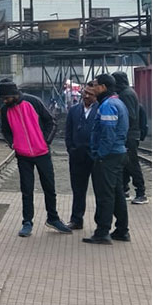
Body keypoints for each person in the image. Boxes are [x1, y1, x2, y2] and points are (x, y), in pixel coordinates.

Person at [0, 79, 67, 237]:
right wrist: (13, 144)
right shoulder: (5, 109)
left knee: (49, 187)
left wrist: (45, 141)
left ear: (14, 94)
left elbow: (51, 122)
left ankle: (53, 218)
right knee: (26, 190)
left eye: (7, 98)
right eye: (3, 99)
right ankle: (27, 222)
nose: (5, 101)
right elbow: (5, 130)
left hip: (42, 152)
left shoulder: (33, 102)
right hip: (23, 155)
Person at [83, 73, 129, 243]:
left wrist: (100, 154)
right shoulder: (118, 102)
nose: (92, 88)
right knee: (117, 193)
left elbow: (108, 133)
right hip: (118, 154)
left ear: (102, 87)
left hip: (109, 156)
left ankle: (102, 232)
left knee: (105, 195)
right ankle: (122, 230)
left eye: (95, 85)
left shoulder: (108, 105)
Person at [111, 71, 149, 204]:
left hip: (129, 134)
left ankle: (141, 192)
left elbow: (130, 116)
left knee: (132, 164)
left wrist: (121, 129)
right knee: (126, 163)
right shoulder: (128, 92)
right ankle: (124, 190)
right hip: (131, 133)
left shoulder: (126, 94)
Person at [63, 85, 97, 231]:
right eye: (85, 93)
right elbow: (68, 131)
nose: (87, 96)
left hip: (95, 157)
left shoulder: (101, 109)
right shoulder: (74, 110)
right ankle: (76, 220)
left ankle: (101, 224)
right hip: (77, 156)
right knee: (78, 190)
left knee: (100, 191)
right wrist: (71, 148)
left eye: (91, 94)